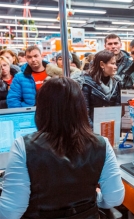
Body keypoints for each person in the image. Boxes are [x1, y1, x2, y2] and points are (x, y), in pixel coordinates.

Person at [0, 77, 125, 218]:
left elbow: (10, 213)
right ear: (81, 108)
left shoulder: (23, 146)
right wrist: (95, 199)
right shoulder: (101, 144)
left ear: (41, 108)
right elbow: (115, 198)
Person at [81, 50, 121, 127]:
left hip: (111, 128)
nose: (115, 67)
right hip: (92, 130)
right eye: (112, 63)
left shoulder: (116, 82)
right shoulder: (86, 83)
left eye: (115, 64)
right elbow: (85, 112)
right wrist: (94, 132)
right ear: (102, 64)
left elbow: (117, 107)